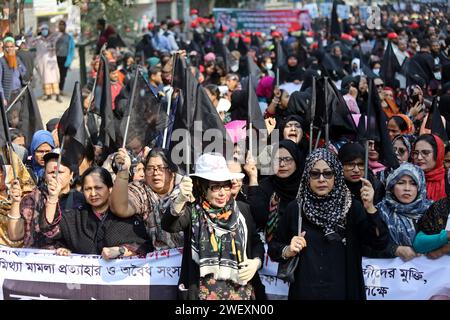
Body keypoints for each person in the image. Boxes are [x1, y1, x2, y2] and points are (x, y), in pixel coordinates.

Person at [268, 148, 388, 300]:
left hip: (344, 291)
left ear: (336, 175)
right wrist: (288, 250)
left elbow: (380, 242)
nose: (321, 179)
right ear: (307, 177)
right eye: (315, 173)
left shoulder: (351, 207)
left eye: (328, 173)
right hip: (306, 292)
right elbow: (274, 248)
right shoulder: (296, 208)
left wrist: (370, 207)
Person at [161, 153, 265, 300]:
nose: (222, 193)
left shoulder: (242, 210)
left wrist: (255, 263)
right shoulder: (192, 211)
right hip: (201, 294)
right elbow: (169, 225)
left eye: (226, 185)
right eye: (215, 187)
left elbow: (256, 243)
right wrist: (180, 200)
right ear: (202, 187)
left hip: (241, 294)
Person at [54, 167, 151, 259]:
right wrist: (63, 249)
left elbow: (144, 248)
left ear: (110, 189)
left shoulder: (128, 219)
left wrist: (122, 251)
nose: (93, 194)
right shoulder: (74, 218)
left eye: (98, 188)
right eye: (88, 189)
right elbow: (55, 237)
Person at [8, 149, 84, 248]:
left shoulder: (80, 201)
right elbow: (15, 235)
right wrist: (16, 202)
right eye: (51, 172)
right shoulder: (32, 199)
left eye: (60, 172)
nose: (55, 176)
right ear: (44, 175)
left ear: (71, 175)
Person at [110, 147, 184, 250]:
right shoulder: (140, 189)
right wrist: (123, 171)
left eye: (160, 168)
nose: (155, 173)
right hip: (155, 259)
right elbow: (120, 208)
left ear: (172, 170)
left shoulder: (185, 189)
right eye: (150, 168)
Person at [368, 163, 432, 261]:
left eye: (413, 183)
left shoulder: (432, 211)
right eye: (401, 182)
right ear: (392, 186)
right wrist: (395, 250)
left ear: (420, 186)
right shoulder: (379, 211)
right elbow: (367, 246)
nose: (407, 188)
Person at [246, 140, 303, 243]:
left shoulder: (306, 187)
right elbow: (258, 217)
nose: (282, 164)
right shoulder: (266, 186)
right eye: (277, 160)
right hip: (274, 249)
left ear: (297, 161)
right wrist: (253, 177)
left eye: (287, 159)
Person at [413, 134, 446, 201]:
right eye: (416, 153)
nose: (419, 157)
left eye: (425, 153)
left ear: (438, 154)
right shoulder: (409, 178)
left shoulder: (447, 181)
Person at [33, 24, 61, 102]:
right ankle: (48, 95)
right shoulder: (38, 39)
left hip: (52, 63)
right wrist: (37, 33)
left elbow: (59, 34)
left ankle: (57, 95)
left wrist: (52, 32)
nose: (44, 31)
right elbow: (30, 43)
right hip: (43, 63)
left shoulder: (53, 39)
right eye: (42, 29)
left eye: (45, 29)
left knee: (54, 78)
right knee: (45, 79)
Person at [0, 36, 27, 109]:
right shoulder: (2, 61)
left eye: (11, 46)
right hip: (8, 94)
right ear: (4, 48)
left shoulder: (17, 59)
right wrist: (2, 98)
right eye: (7, 47)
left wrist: (19, 65)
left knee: (18, 115)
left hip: (18, 92)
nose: (9, 49)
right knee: (11, 118)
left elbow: (24, 72)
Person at [55, 20, 75, 94]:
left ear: (65, 26)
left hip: (65, 58)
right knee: (56, 75)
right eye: (60, 24)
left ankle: (61, 89)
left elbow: (72, 49)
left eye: (63, 24)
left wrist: (70, 60)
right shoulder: (55, 36)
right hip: (56, 58)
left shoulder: (69, 37)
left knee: (63, 75)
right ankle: (56, 89)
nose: (61, 26)